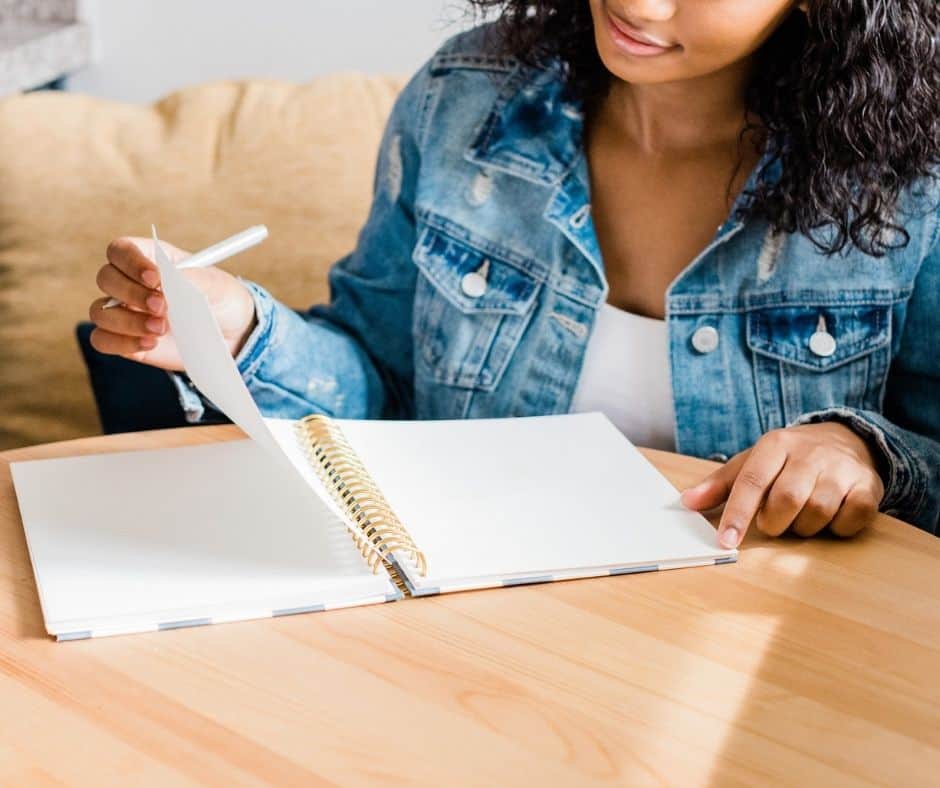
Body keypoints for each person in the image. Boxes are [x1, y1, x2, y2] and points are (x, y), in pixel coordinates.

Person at [87, 1, 940, 541]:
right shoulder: (466, 98)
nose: (639, 4)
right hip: (475, 624)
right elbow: (383, 383)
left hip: (773, 654)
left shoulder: (915, 171)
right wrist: (235, 328)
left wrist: (859, 449)